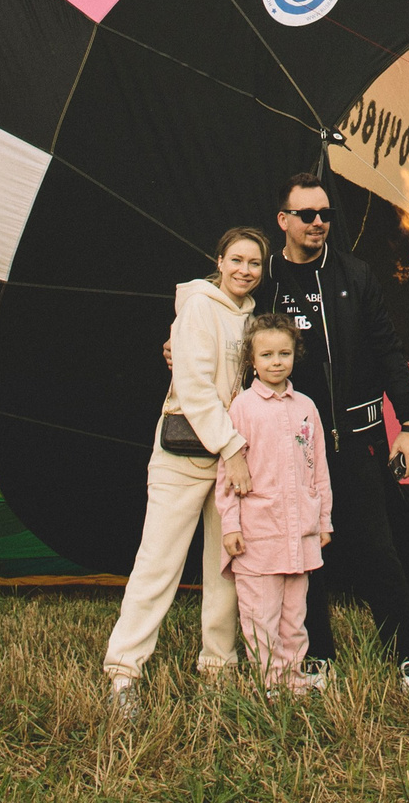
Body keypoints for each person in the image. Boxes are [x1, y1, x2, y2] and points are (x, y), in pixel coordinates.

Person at [265, 173, 409, 704]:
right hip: (291, 442)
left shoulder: (355, 275)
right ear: (284, 221)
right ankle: (318, 655)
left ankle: (407, 655)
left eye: (326, 215)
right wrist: (180, 346)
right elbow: (225, 330)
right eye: (307, 215)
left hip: (358, 436)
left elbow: (389, 351)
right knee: (305, 550)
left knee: (376, 547)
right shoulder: (265, 279)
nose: (319, 223)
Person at [102, 228, 265, 715]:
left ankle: (218, 668)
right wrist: (232, 448)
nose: (244, 270)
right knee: (159, 563)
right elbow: (193, 387)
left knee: (225, 567)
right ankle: (124, 673)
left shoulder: (254, 317)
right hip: (189, 457)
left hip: (231, 459)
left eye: (254, 263)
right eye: (236, 259)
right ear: (219, 261)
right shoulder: (198, 306)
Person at [216, 315, 332, 692]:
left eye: (284, 353)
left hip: (300, 533)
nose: (276, 362)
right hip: (259, 534)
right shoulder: (243, 408)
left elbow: (319, 470)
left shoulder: (306, 407)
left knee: (294, 616)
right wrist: (231, 525)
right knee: (260, 615)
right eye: (266, 355)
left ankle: (294, 679)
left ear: (295, 355)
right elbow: (227, 474)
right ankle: (271, 682)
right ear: (252, 360)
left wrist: (324, 521)